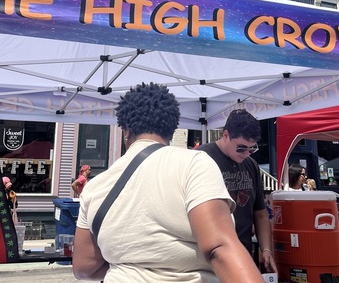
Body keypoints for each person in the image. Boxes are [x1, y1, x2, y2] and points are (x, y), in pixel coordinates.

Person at [73, 83, 264, 282]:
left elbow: (84, 269)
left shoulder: (95, 186)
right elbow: (220, 248)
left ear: (126, 130)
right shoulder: (194, 164)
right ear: (172, 130)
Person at [198, 109, 276, 273]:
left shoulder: (251, 165)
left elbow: (260, 212)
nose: (246, 154)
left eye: (252, 148)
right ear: (225, 135)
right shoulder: (200, 159)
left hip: (243, 254)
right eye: (241, 148)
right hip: (209, 259)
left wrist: (266, 249)